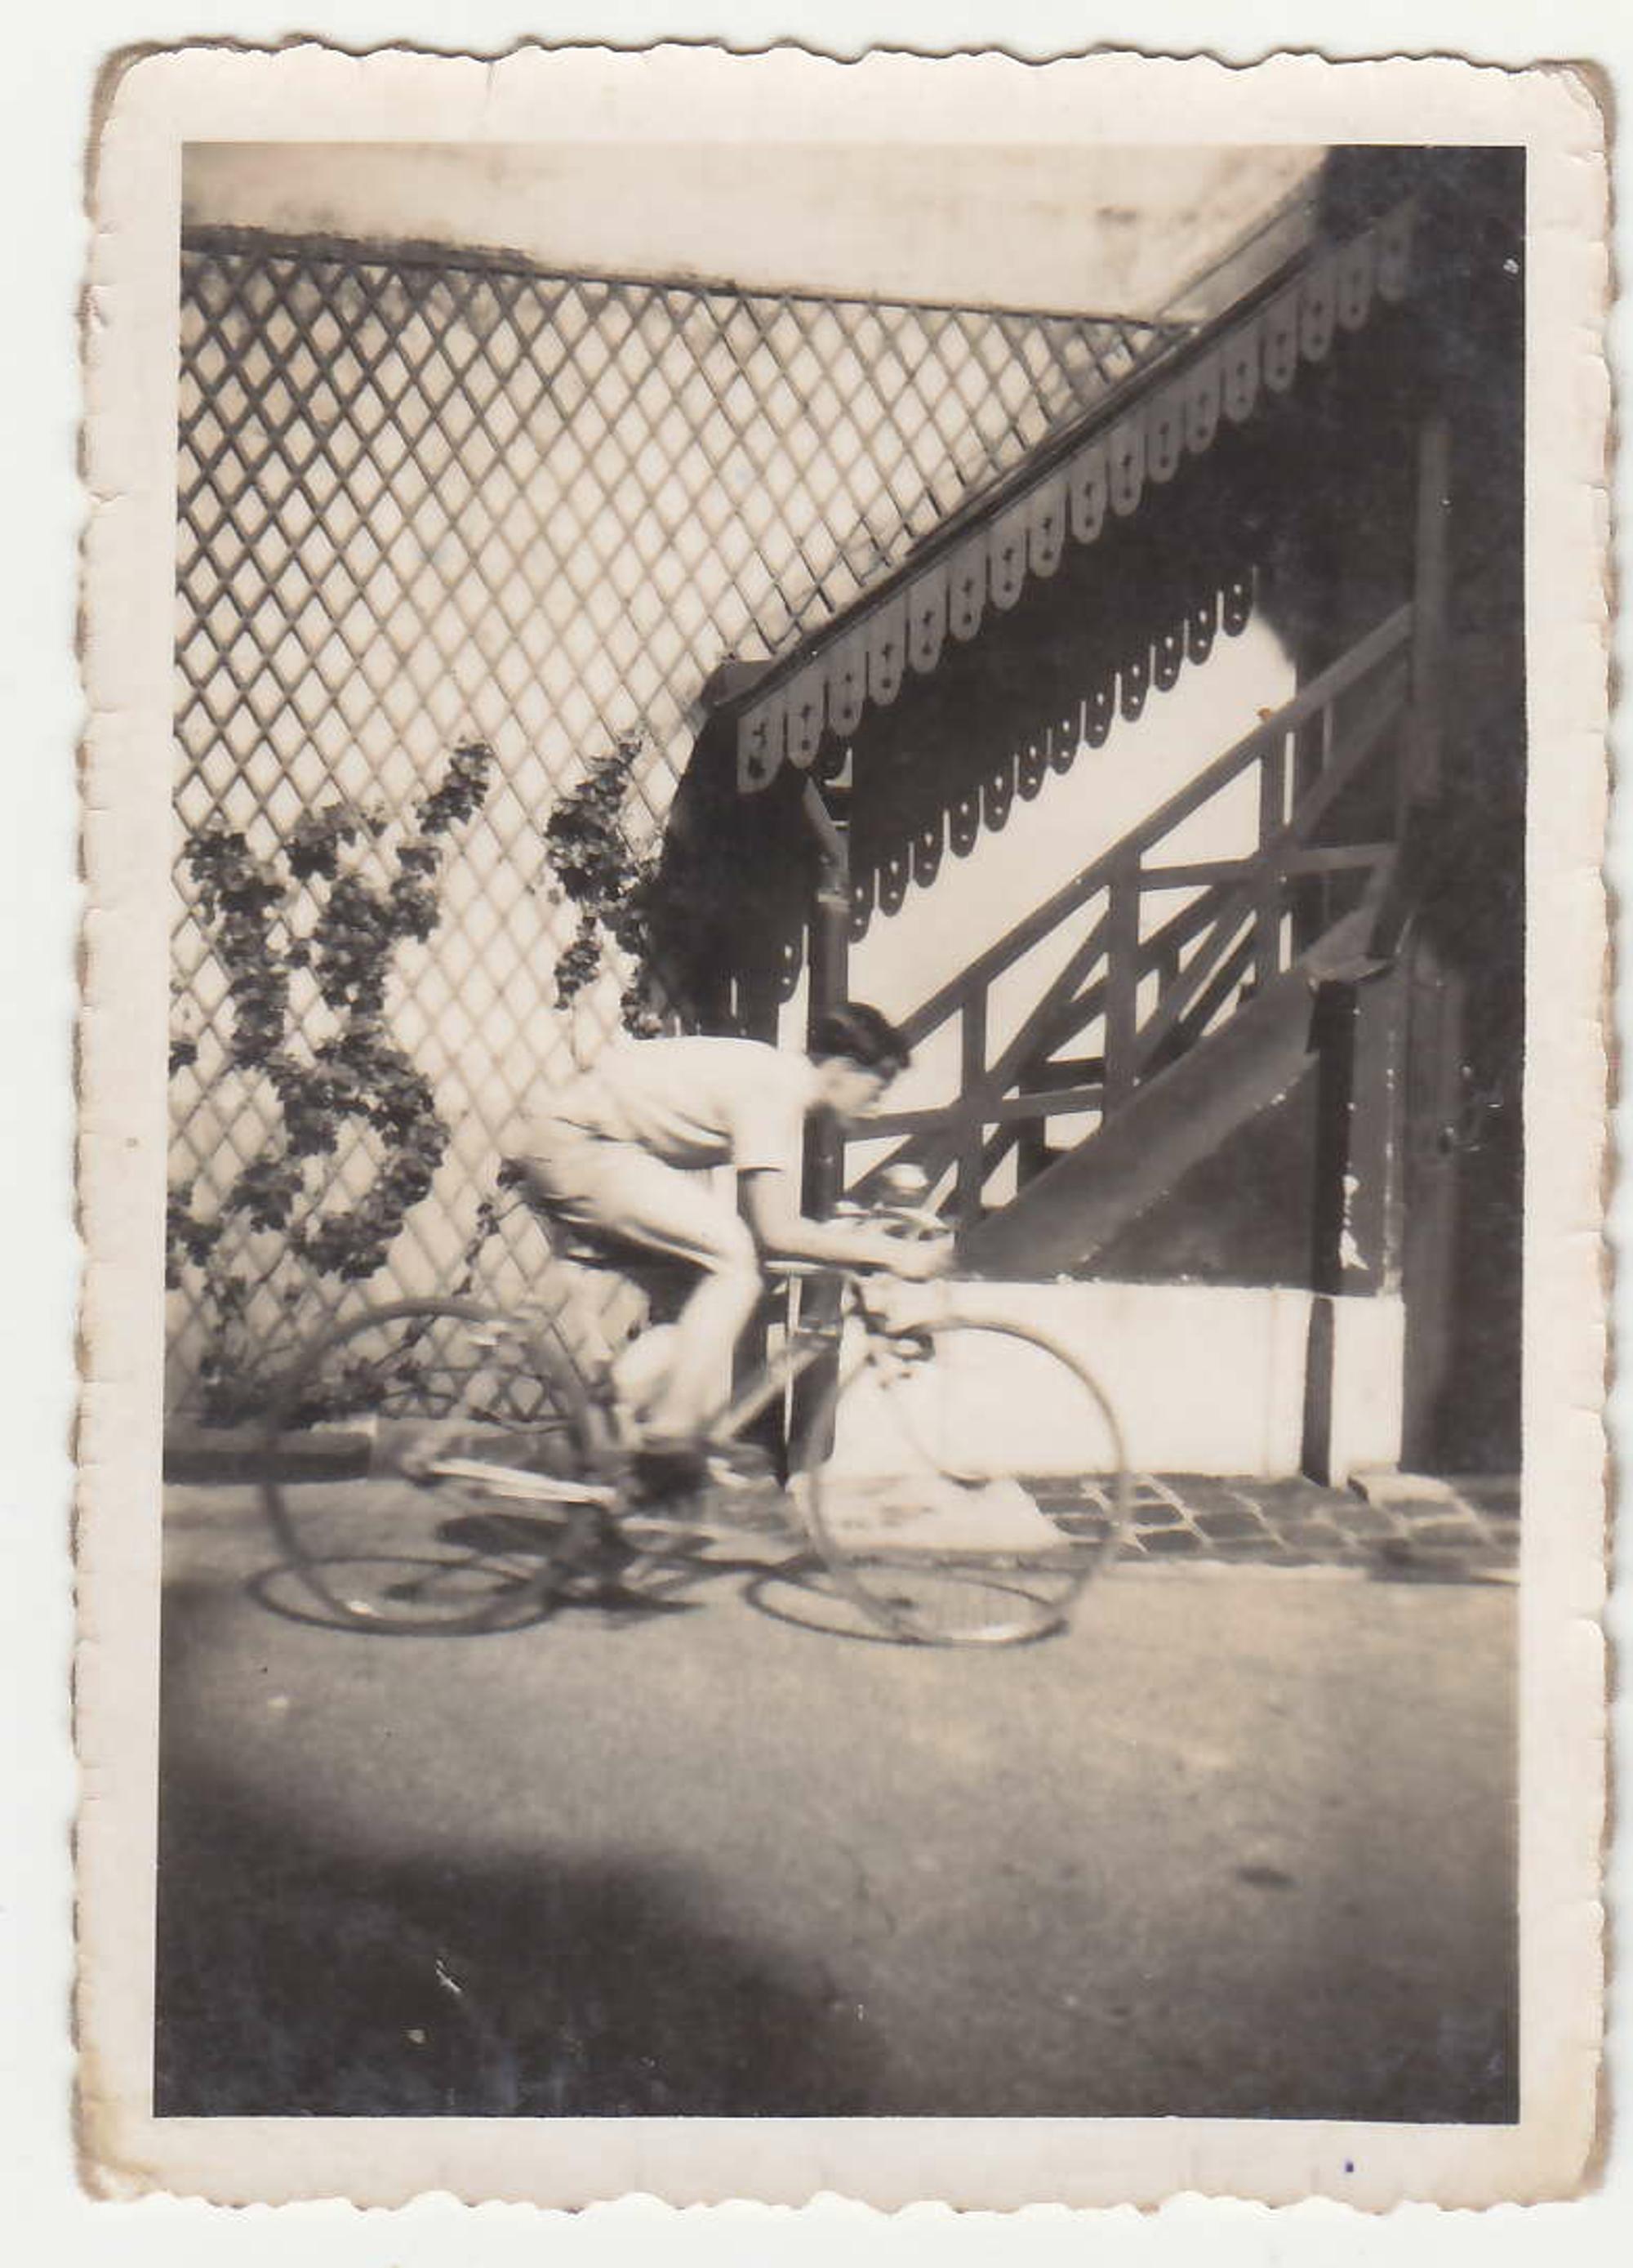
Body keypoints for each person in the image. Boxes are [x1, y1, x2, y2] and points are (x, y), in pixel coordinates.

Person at [508, 1002, 949, 1490]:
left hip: (586, 1144)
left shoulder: (774, 1078)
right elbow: (776, 1231)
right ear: (842, 1070)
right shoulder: (777, 1090)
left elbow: (775, 1231)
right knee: (734, 1267)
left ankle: (607, 1424)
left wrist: (848, 1242)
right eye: (877, 1088)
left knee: (699, 1300)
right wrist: (890, 1253)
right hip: (583, 1146)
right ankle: (671, 1435)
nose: (877, 1107)